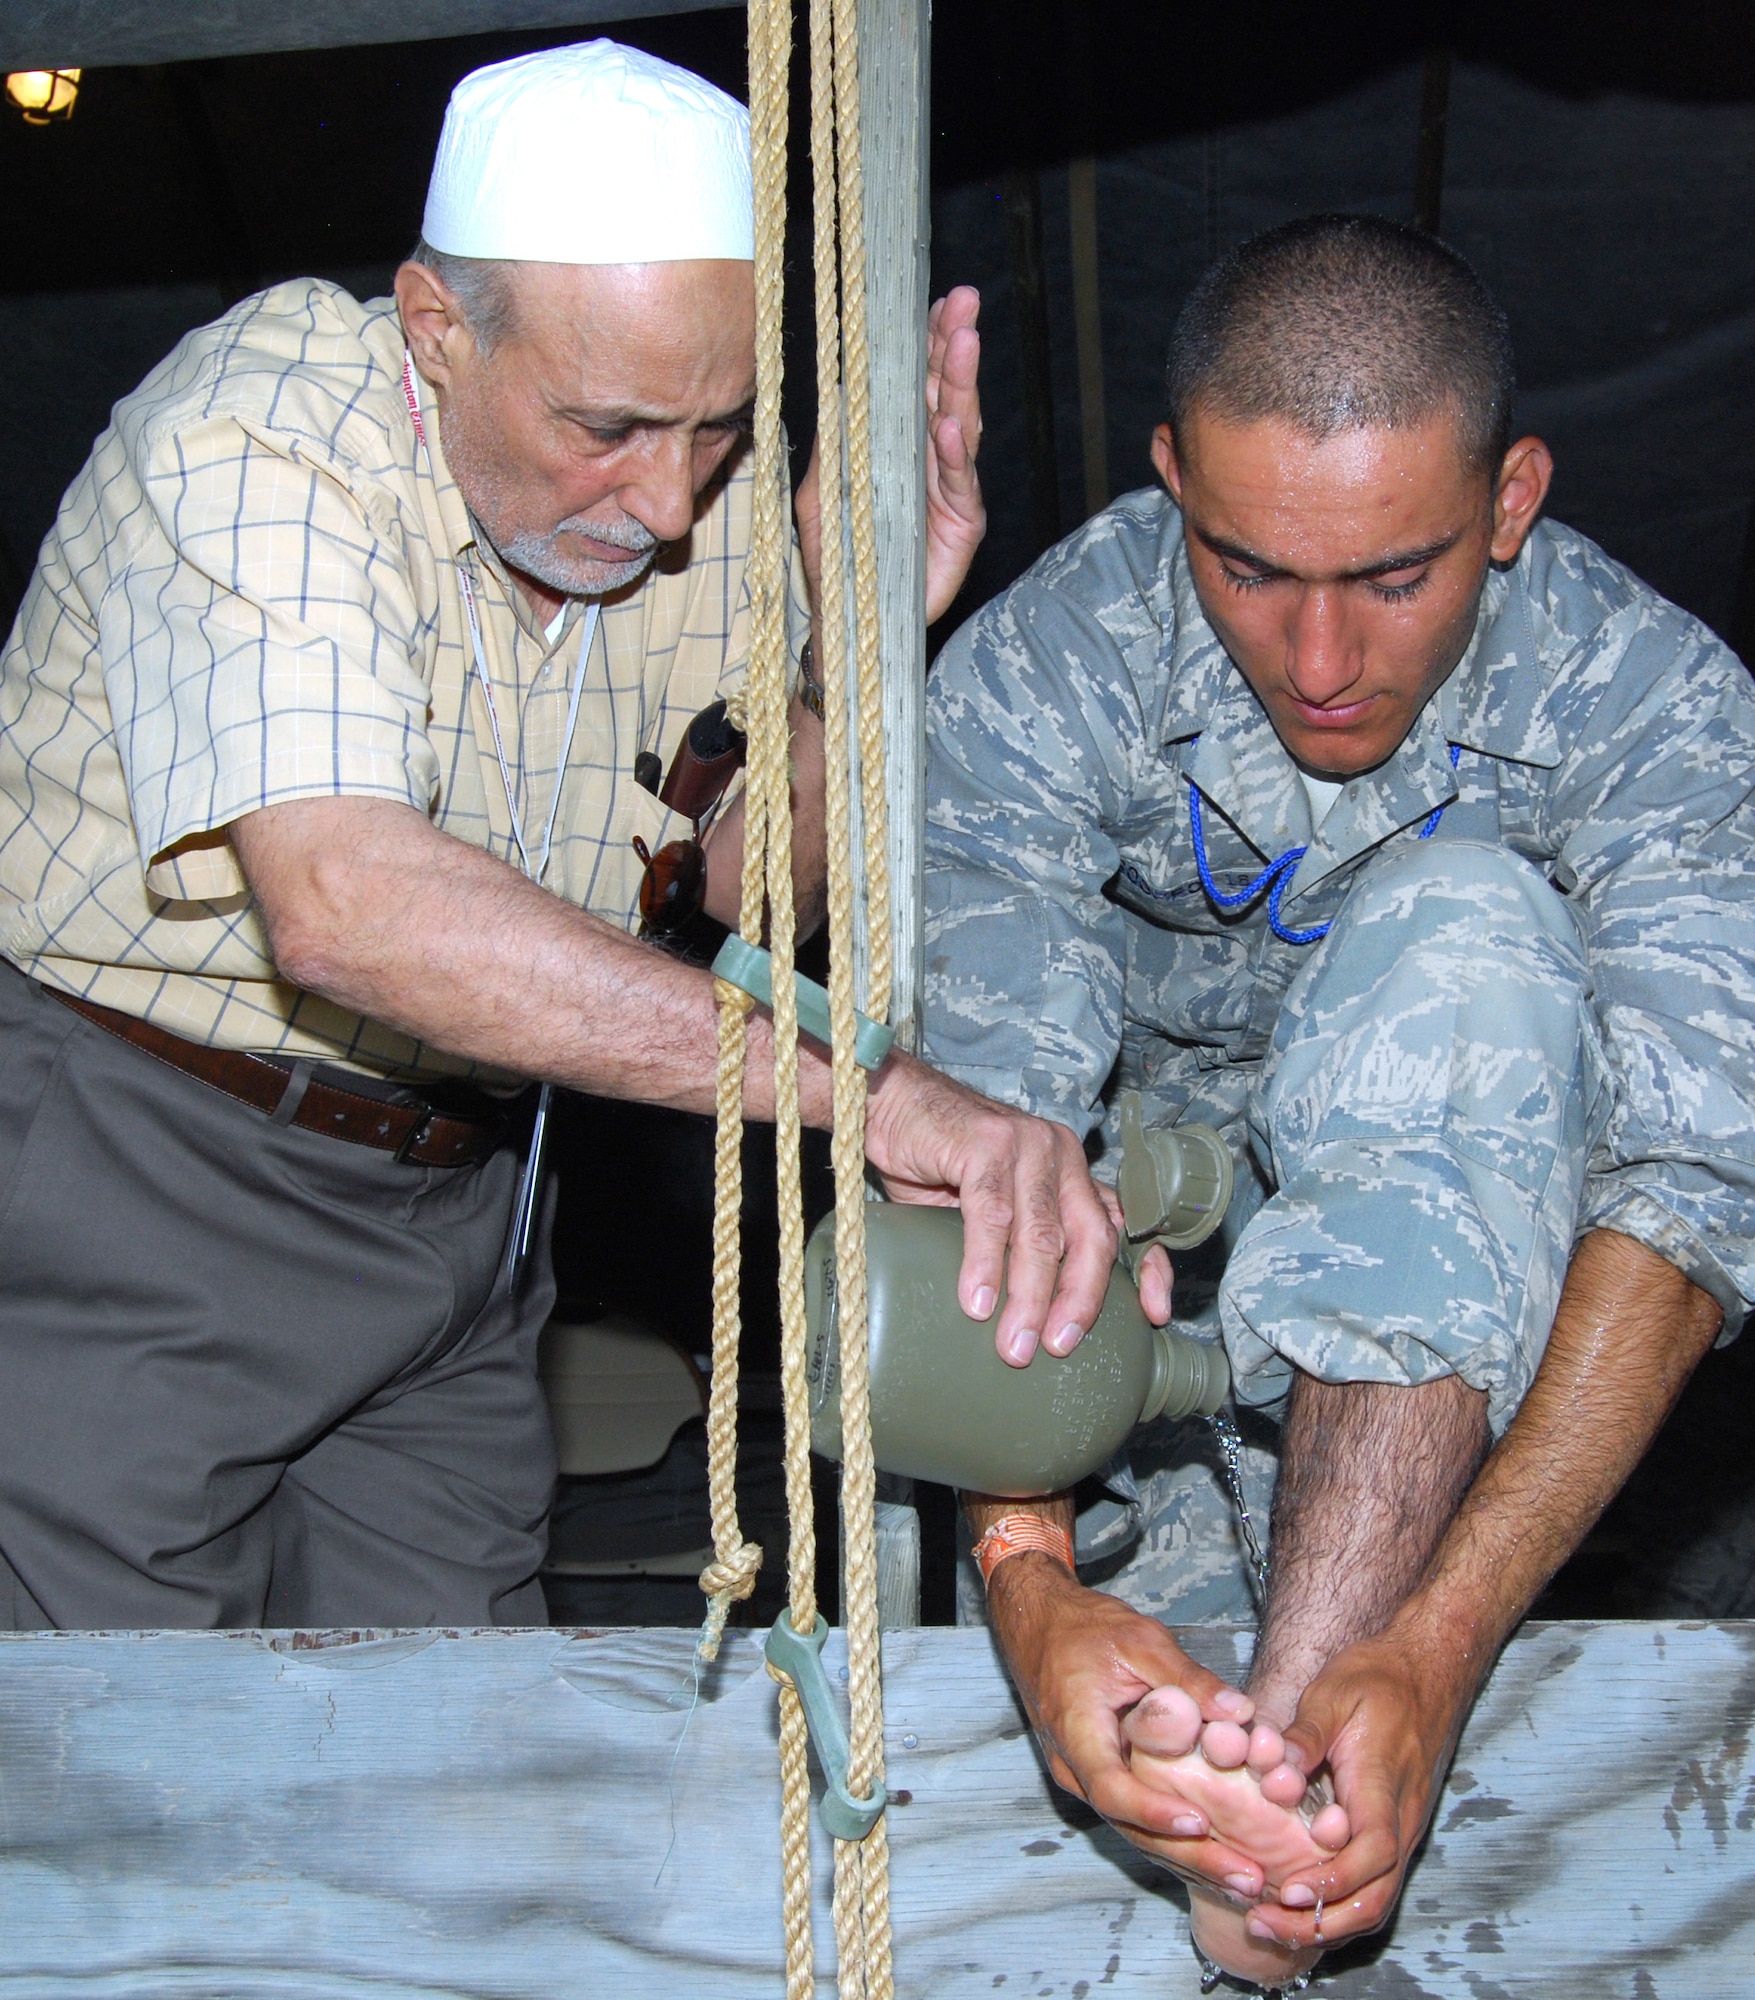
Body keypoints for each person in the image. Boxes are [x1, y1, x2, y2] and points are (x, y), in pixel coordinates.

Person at [0, 40, 1129, 1632]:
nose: (670, 504)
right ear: (436, 328)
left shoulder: (695, 495)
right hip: (140, 1174)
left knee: (468, 1762)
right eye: (607, 426)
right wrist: (867, 1100)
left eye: (719, 426)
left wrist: (864, 652)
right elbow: (347, 909)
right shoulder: (257, 433)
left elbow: (744, 880)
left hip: (462, 1214)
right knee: (128, 1788)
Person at [924, 214, 1755, 1981]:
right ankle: (1278, 1821)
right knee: (1134, 1831)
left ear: (1514, 496)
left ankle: (1310, 1770)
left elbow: (1693, 1195)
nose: (1320, 656)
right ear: (1172, 481)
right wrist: (1028, 1587)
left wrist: (1439, 1642)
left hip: (1453, 1332)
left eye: (1396, 577)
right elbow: (973, 1142)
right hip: (1114, 1329)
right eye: (1248, 568)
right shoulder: (1052, 667)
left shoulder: (1657, 709)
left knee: (1468, 921)